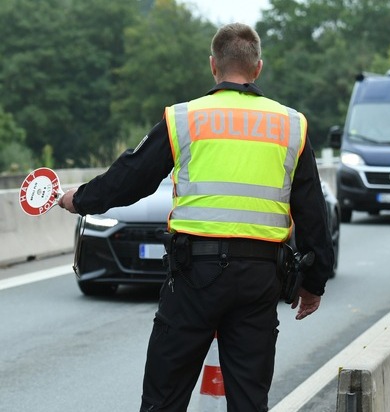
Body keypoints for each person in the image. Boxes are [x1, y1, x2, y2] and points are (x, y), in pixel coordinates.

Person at [58, 22, 334, 411]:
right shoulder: (291, 124)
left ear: (213, 65)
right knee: (249, 400)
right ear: (258, 68)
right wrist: (314, 282)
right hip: (260, 278)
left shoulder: (184, 118)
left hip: (194, 276)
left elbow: (131, 177)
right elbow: (311, 210)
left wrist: (80, 199)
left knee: (164, 397)